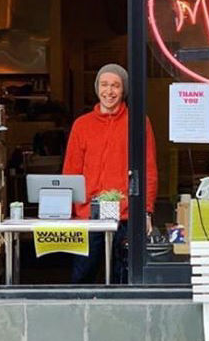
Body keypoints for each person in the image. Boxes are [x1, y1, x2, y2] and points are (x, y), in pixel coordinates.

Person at [62, 63, 158, 283]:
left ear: (123, 90)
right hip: (87, 215)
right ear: (97, 88)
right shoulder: (82, 125)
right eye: (104, 85)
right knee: (81, 277)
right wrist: (66, 211)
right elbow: (71, 171)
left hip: (126, 216)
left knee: (123, 279)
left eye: (116, 85)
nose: (109, 91)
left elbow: (149, 169)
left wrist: (147, 211)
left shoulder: (138, 123)